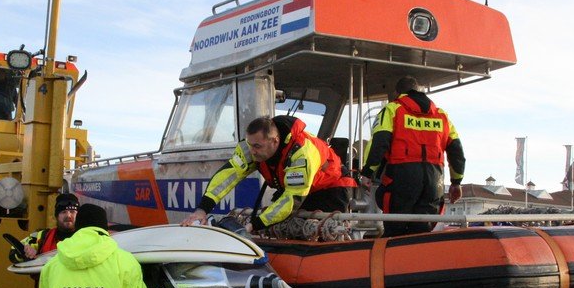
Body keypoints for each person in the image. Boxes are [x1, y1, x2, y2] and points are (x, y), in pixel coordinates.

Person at [181, 115, 357, 231]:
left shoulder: (301, 152)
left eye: (257, 146)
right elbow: (228, 176)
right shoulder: (253, 146)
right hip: (296, 189)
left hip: (329, 188)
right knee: (285, 226)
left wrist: (254, 225)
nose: (253, 151)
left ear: (275, 141)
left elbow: (291, 200)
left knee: (323, 231)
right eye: (250, 145)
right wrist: (202, 210)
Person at [362, 76, 465, 237]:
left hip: (401, 179)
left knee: (395, 230)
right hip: (434, 181)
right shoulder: (442, 116)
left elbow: (380, 142)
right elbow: (456, 150)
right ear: (418, 91)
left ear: (397, 93)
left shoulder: (392, 109)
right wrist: (456, 183)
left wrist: (368, 173)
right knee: (421, 233)